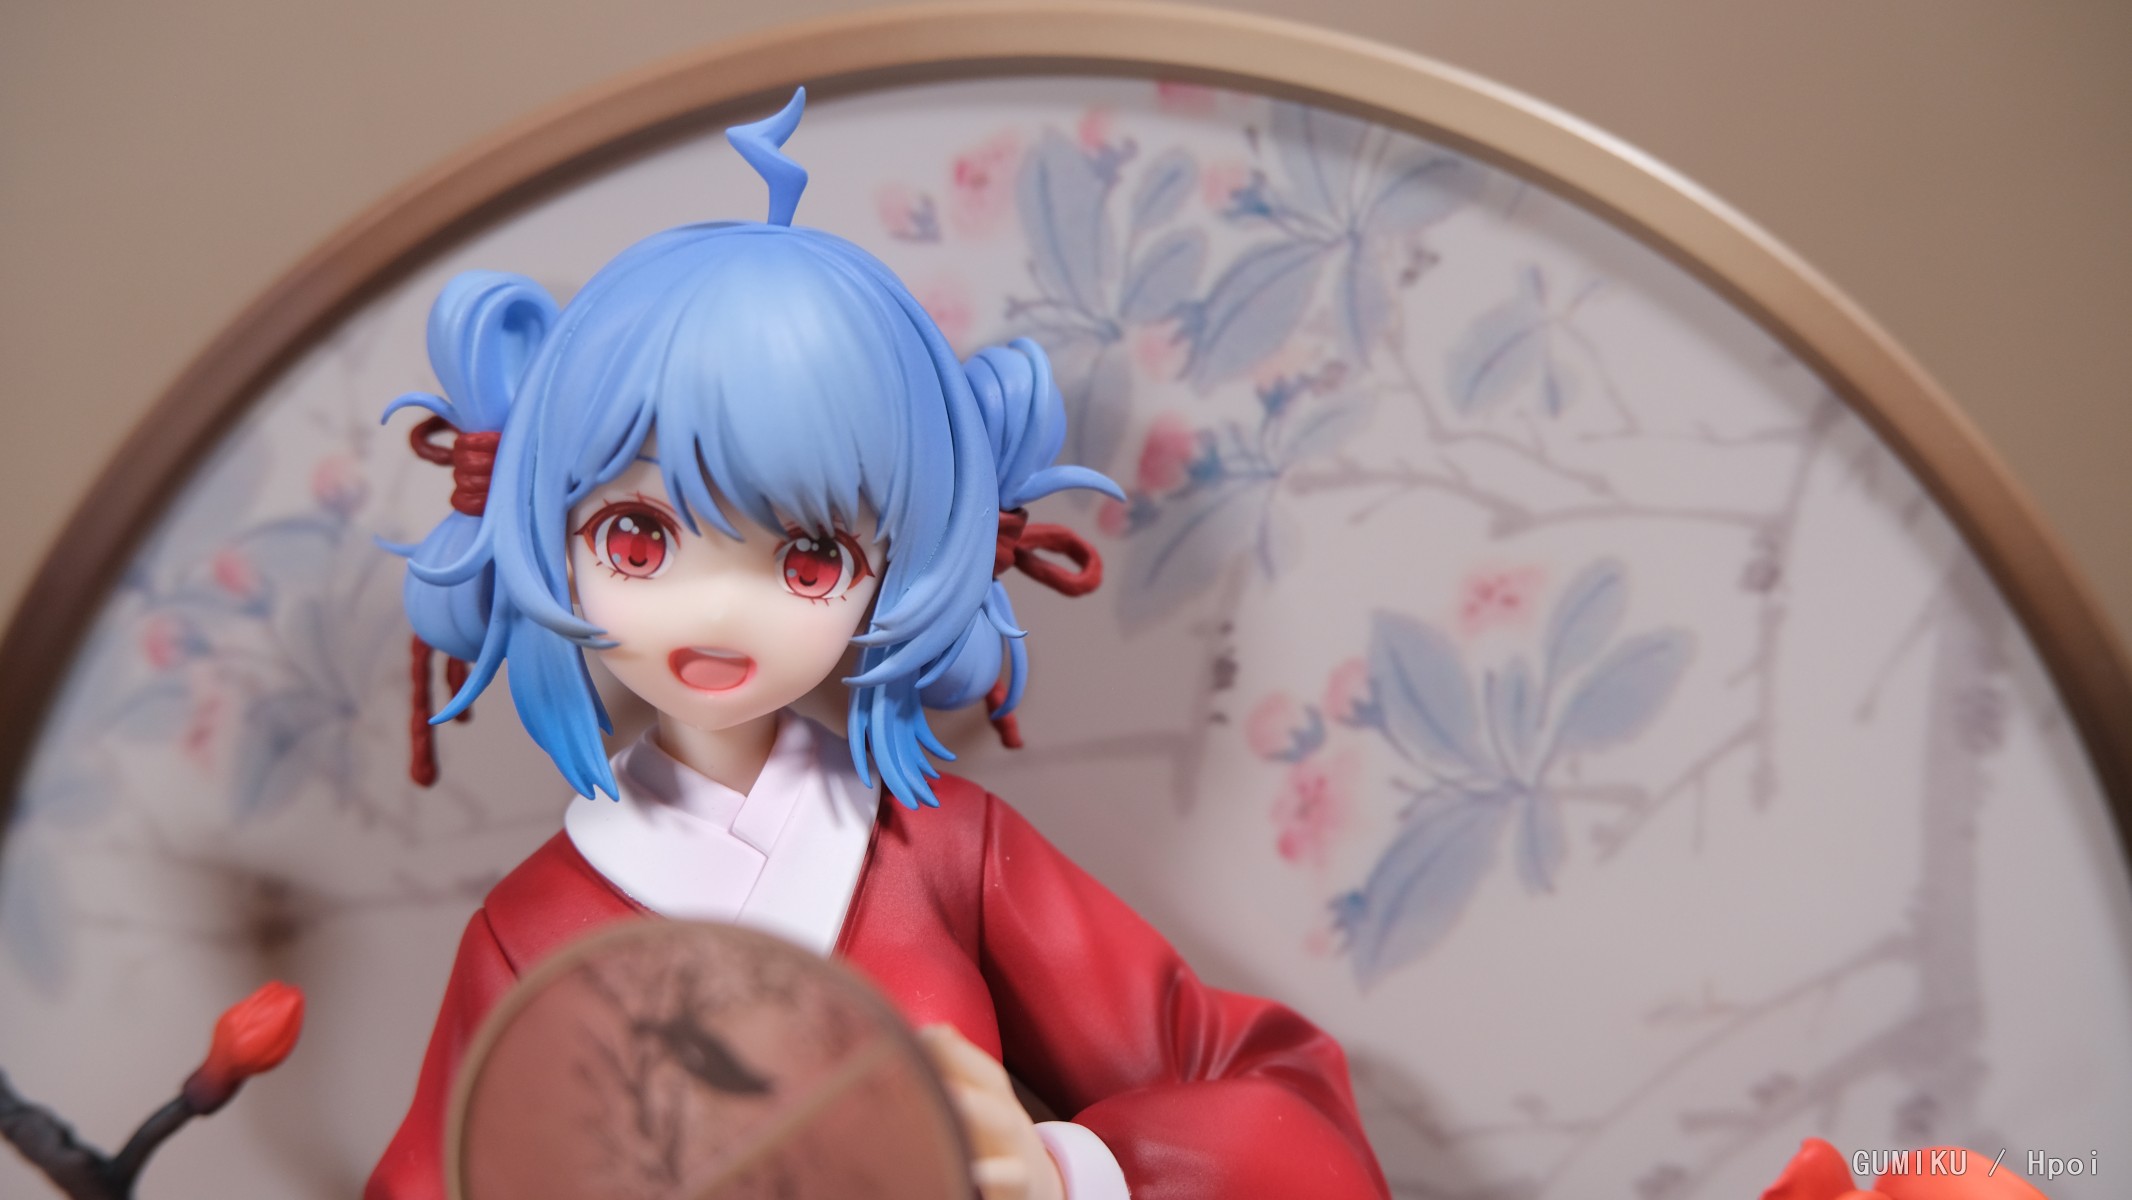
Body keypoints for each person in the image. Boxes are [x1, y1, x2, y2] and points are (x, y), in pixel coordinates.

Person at [367, 89, 1388, 1200]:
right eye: (638, 539)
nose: (716, 613)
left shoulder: (942, 850)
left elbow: (1277, 1104)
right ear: (549, 532)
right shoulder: (529, 930)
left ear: (893, 567)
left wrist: (1065, 1172)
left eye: (807, 559)